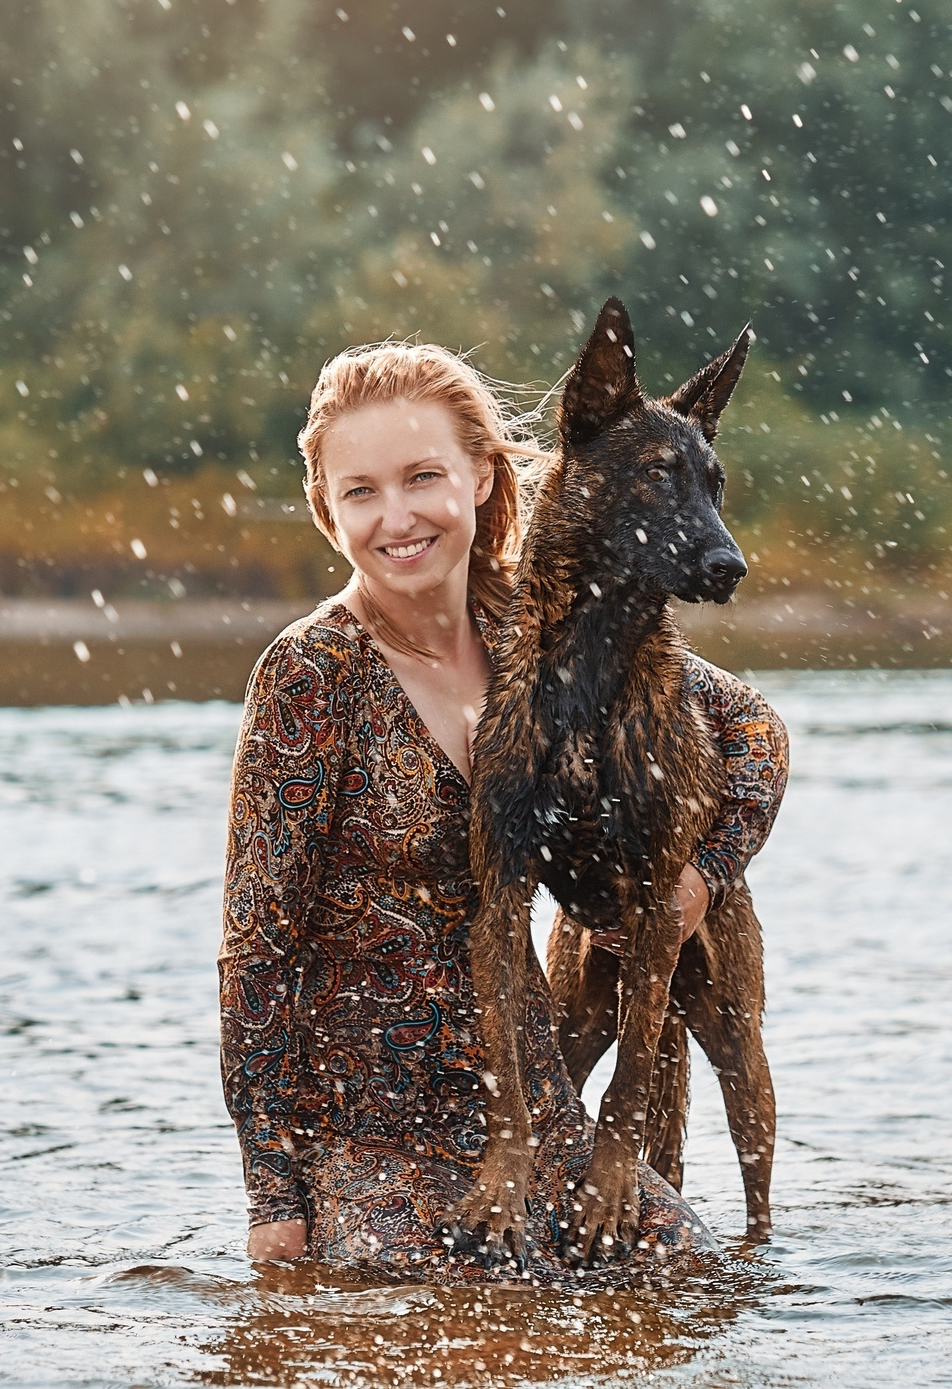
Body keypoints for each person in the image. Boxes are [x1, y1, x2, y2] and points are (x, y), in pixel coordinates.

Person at [217, 339, 789, 1279]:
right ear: (328, 512)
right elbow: (255, 950)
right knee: (459, 1328)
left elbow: (753, 729)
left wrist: (700, 877)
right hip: (370, 1144)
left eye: (423, 477)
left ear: (482, 477)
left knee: (699, 1290)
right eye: (360, 491)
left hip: (539, 1127)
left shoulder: (537, 625)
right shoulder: (310, 673)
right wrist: (274, 1200)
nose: (396, 517)